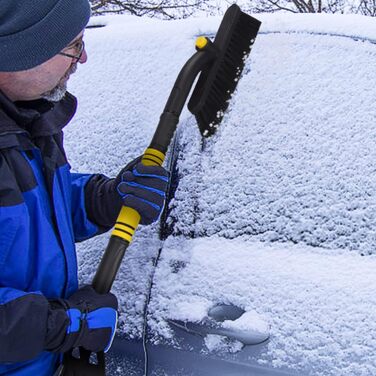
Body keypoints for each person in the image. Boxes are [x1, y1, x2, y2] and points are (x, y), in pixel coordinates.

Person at [0, 0, 169, 374]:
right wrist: (64, 325)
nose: (84, 57)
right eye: (73, 45)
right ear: (21, 48)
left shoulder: (27, 122)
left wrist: (104, 199)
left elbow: (26, 217)